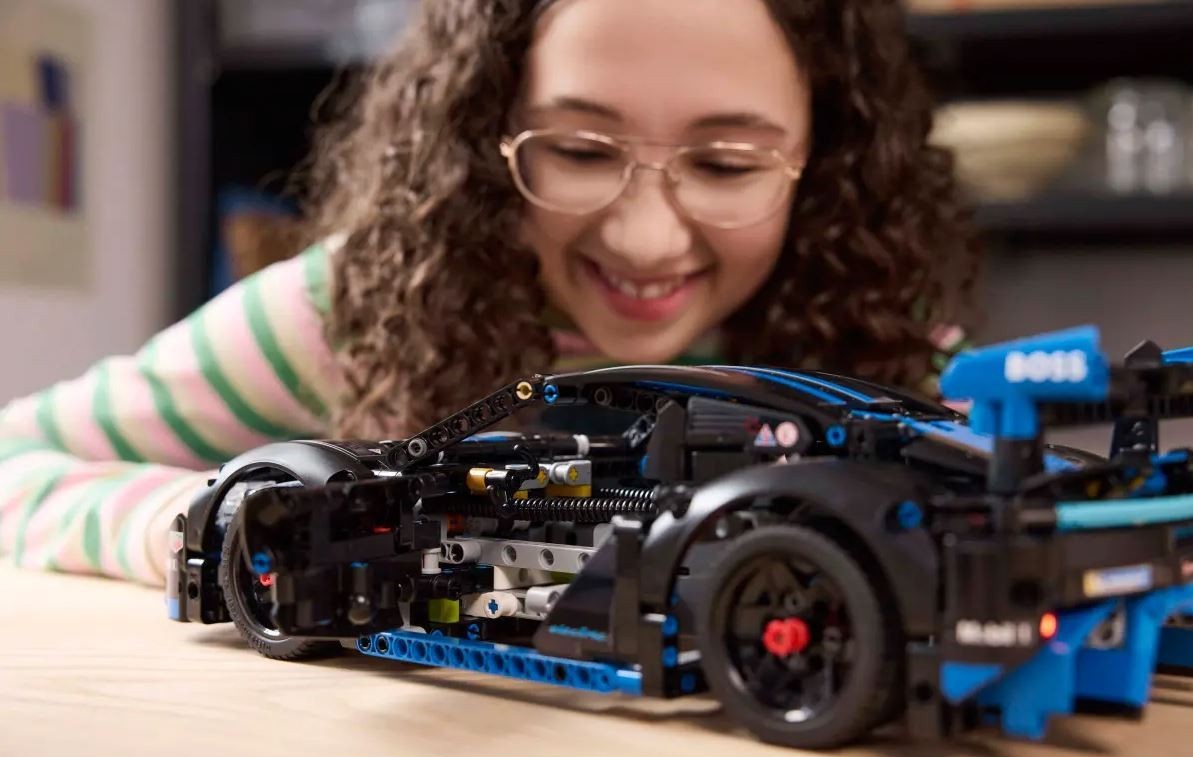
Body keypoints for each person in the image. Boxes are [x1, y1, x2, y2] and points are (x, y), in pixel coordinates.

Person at [0, 0, 977, 587]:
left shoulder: (881, 353)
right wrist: (208, 524)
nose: (646, 237)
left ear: (825, 164)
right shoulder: (354, 311)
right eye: (579, 151)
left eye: (726, 164)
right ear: (482, 136)